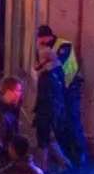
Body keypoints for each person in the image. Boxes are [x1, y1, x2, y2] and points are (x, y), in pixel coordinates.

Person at [36, 24, 86, 166]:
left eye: (41, 38)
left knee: (73, 120)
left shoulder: (64, 45)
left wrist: (43, 52)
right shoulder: (43, 48)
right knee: (60, 123)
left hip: (70, 88)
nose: (40, 41)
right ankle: (66, 155)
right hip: (57, 90)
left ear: (47, 36)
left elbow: (55, 63)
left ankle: (79, 155)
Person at [32, 46, 70, 174]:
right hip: (54, 112)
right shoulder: (58, 72)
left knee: (43, 142)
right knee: (51, 139)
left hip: (45, 113)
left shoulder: (46, 76)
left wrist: (39, 115)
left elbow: (44, 98)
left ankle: (43, 169)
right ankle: (63, 162)